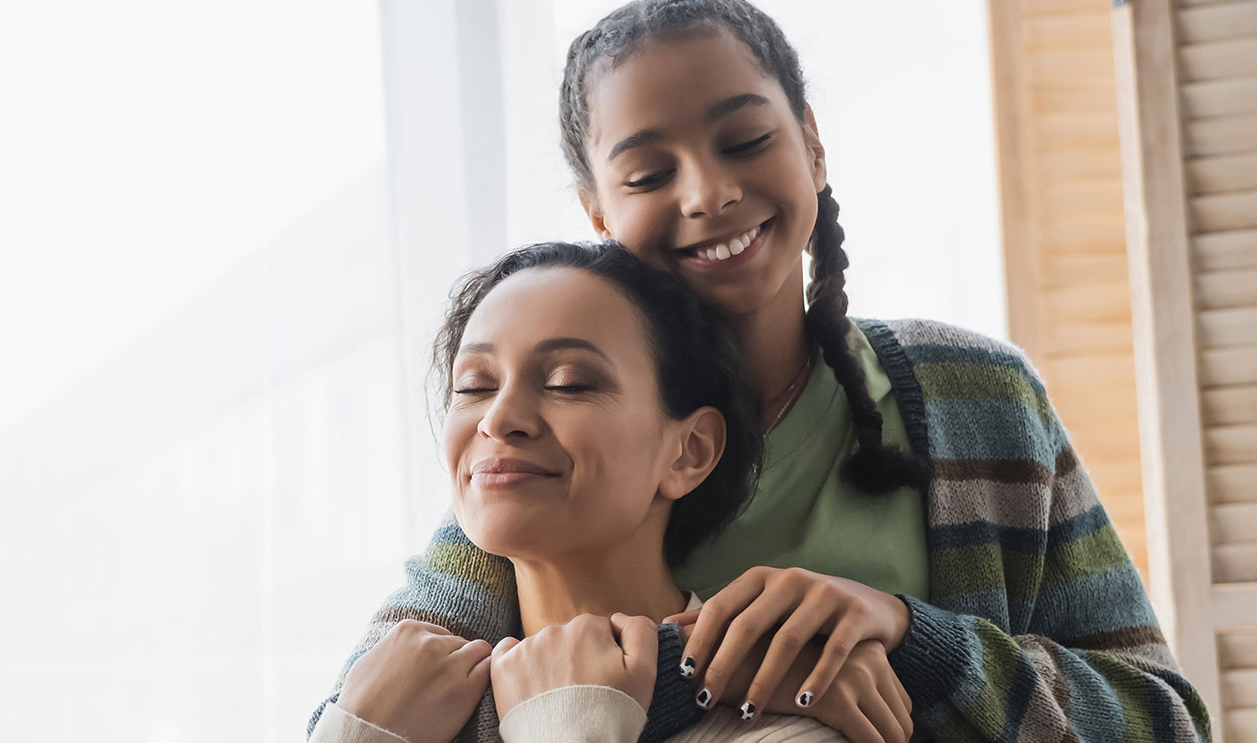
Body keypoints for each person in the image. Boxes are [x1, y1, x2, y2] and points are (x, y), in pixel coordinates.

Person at [311, 1, 1210, 741]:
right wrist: (725, 681)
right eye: (648, 172)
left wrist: (913, 639)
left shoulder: (977, 397)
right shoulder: (547, 454)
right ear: (596, 214)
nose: (706, 192)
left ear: (812, 144)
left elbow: (1167, 724)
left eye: (743, 141)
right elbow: (369, 716)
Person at [310, 242, 897, 743]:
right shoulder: (389, 698)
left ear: (688, 451)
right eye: (475, 386)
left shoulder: (784, 721)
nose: (499, 419)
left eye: (569, 383)